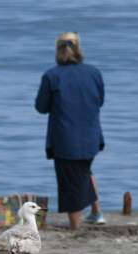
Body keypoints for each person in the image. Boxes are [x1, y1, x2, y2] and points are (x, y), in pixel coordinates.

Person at [35, 32, 105, 229]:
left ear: (58, 50)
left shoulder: (52, 76)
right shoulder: (94, 73)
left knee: (71, 184)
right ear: (78, 49)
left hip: (65, 140)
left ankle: (76, 228)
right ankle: (96, 212)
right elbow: (100, 100)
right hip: (91, 137)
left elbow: (41, 107)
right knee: (84, 171)